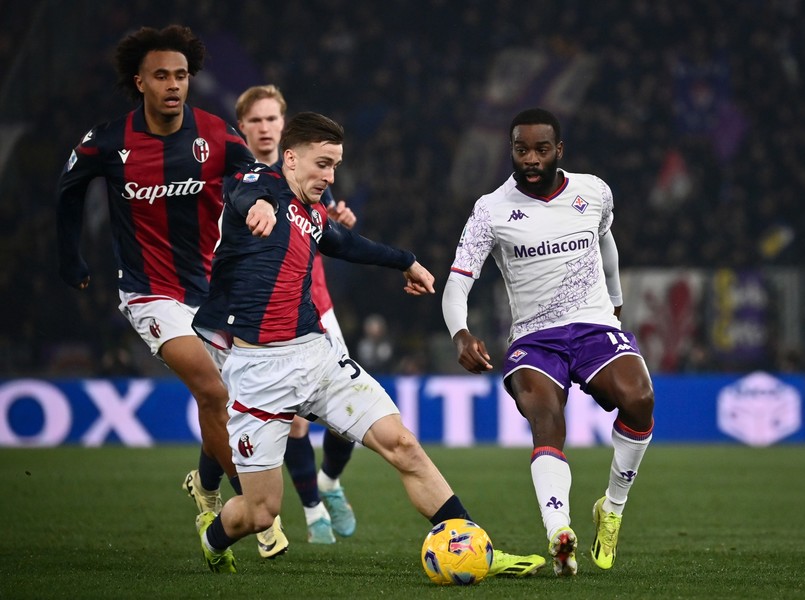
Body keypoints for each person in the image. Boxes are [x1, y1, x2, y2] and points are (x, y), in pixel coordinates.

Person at [191, 111, 545, 577]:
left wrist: (406, 261)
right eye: (322, 164)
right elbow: (244, 194)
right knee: (259, 513)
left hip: (317, 357)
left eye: (335, 165)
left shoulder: (312, 215)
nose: (330, 176)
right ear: (291, 158)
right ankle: (214, 537)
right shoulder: (260, 183)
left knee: (403, 444)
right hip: (259, 373)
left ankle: (476, 549)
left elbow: (345, 242)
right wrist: (256, 205)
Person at [54, 25, 288, 557]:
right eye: (161, 75)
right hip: (149, 292)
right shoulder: (109, 141)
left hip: (214, 291)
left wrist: (261, 200)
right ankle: (252, 506)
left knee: (241, 400)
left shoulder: (214, 133)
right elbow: (68, 190)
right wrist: (72, 257)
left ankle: (204, 486)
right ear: (139, 82)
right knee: (213, 391)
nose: (173, 85)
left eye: (181, 75)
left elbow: (261, 174)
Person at [441, 108, 655, 576]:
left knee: (639, 399)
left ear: (559, 150)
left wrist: (616, 301)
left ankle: (611, 508)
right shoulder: (491, 210)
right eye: (521, 150)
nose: (531, 158)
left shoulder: (593, 192)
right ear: (511, 151)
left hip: (595, 325)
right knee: (546, 416)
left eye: (541, 149)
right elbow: (457, 282)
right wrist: (460, 332)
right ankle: (560, 532)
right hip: (535, 338)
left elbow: (606, 243)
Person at [234, 84, 357, 545]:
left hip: (317, 306)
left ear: (285, 129)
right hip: (262, 317)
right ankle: (312, 511)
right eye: (257, 120)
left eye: (273, 120)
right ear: (242, 127)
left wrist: (338, 231)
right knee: (293, 420)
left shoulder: (311, 169)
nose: (266, 129)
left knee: (349, 413)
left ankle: (328, 482)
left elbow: (318, 231)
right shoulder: (239, 178)